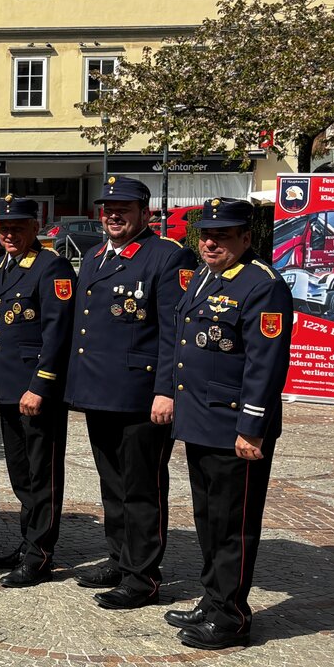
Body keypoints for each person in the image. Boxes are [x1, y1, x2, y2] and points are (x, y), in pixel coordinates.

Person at [65, 176, 198, 611]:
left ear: (145, 213)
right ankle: (120, 558)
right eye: (107, 209)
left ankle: (143, 577)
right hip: (100, 392)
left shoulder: (167, 256)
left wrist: (166, 391)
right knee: (111, 484)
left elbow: (173, 333)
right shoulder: (95, 256)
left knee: (142, 487)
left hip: (141, 396)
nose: (114, 215)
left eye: (123, 208)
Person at [168, 198, 293, 649]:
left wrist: (252, 427)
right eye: (206, 235)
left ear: (245, 238)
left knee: (234, 524)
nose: (210, 242)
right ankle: (213, 597)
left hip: (234, 426)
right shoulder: (205, 277)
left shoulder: (263, 285)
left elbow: (265, 363)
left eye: (222, 236)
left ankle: (232, 616)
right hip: (200, 419)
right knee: (208, 519)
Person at [0, 195, 76, 588]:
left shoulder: (51, 267)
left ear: (35, 228)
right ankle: (27, 543)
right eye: (3, 227)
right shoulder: (0, 267)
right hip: (7, 388)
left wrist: (41, 385)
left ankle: (41, 555)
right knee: (22, 474)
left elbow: (59, 333)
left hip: (36, 391)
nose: (8, 233)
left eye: (17, 227)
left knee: (43, 475)